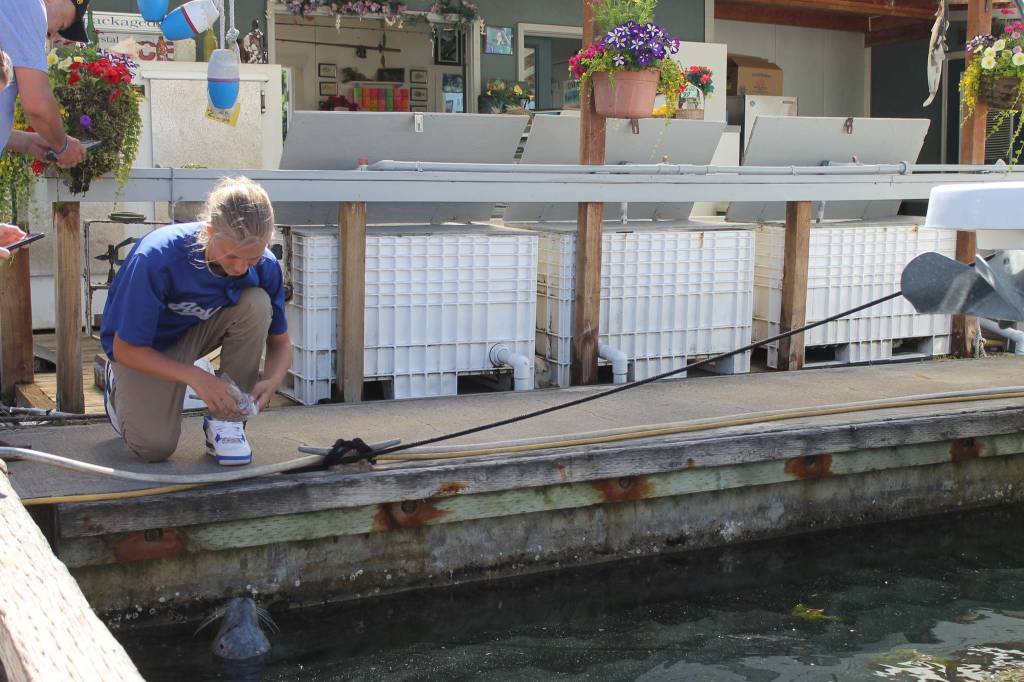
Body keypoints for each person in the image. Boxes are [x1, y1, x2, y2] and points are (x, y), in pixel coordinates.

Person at [101, 177, 292, 466]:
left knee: (256, 302)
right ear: (211, 231)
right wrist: (196, 377)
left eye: (251, 260)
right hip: (143, 349)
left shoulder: (265, 265)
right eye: (233, 256)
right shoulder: (155, 258)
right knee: (154, 447)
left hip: (195, 332)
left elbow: (280, 342)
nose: (241, 268)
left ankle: (228, 423)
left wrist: (273, 379)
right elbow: (125, 347)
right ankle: (119, 387)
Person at [0, 0, 90, 167]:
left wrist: (26, 142)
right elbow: (37, 106)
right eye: (63, 24)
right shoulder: (28, 6)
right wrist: (63, 147)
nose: (53, 33)